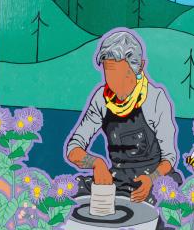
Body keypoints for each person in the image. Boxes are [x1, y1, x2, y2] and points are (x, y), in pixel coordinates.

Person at [65, 28, 180, 203]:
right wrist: (96, 163)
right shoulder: (101, 99)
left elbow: (169, 157)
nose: (114, 84)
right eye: (108, 74)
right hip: (118, 181)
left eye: (121, 76)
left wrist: (151, 179)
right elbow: (73, 149)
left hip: (154, 181)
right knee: (69, 193)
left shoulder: (155, 99)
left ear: (138, 67)